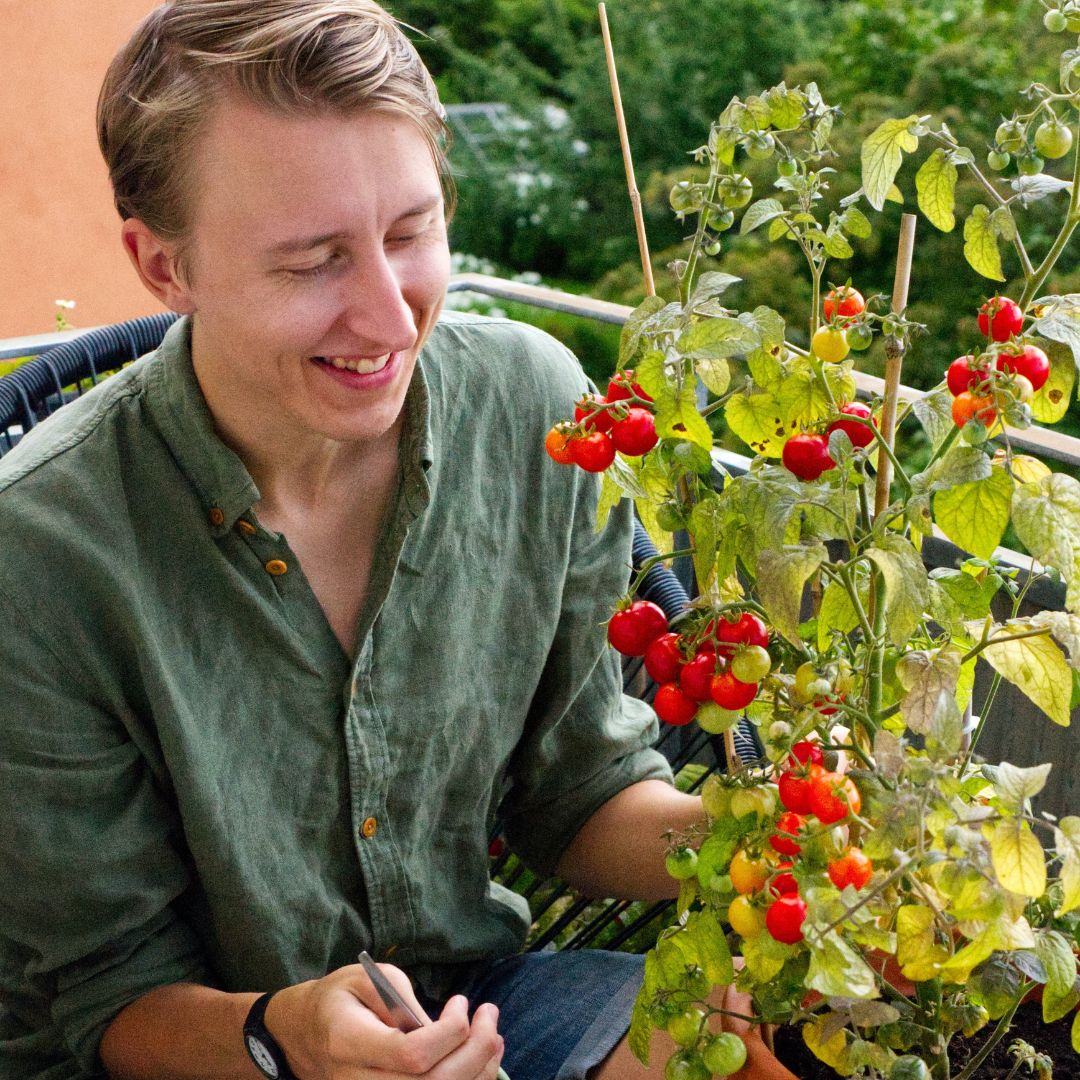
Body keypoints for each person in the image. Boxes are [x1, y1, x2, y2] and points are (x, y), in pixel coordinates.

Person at [0, 3, 787, 1078]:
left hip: (481, 1010)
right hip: (219, 1054)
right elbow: (107, 1001)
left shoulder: (532, 406)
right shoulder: (39, 555)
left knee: (726, 1054)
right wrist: (292, 1041)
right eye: (312, 261)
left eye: (411, 233)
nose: (389, 315)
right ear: (163, 267)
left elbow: (580, 795)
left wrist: (765, 845)